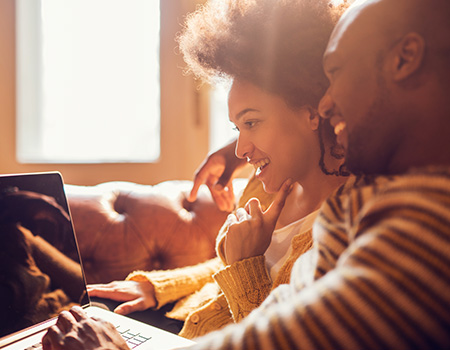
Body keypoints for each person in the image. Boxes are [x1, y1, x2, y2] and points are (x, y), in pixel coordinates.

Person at [42, 0, 450, 348]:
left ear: (405, 58)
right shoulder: (357, 204)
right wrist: (156, 287)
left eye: (337, 71)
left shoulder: (419, 224)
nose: (326, 102)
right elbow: (272, 315)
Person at [81, 0, 347, 341]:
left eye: (251, 122)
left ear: (312, 111)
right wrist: (157, 288)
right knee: (78, 311)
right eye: (238, 128)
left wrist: (243, 266)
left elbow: (278, 335)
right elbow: (226, 268)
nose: (240, 150)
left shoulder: (347, 224)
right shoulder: (264, 186)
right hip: (182, 321)